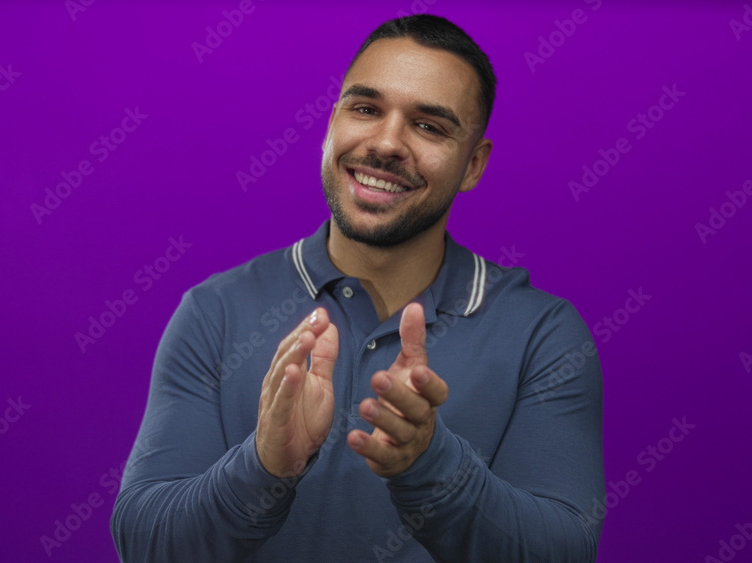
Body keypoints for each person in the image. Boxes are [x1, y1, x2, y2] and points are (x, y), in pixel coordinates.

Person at [111, 14, 604, 562]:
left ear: (473, 165)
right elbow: (146, 545)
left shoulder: (543, 333)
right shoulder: (215, 311)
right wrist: (265, 464)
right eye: (366, 109)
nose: (387, 142)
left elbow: (563, 552)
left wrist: (427, 460)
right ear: (330, 126)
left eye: (429, 126)